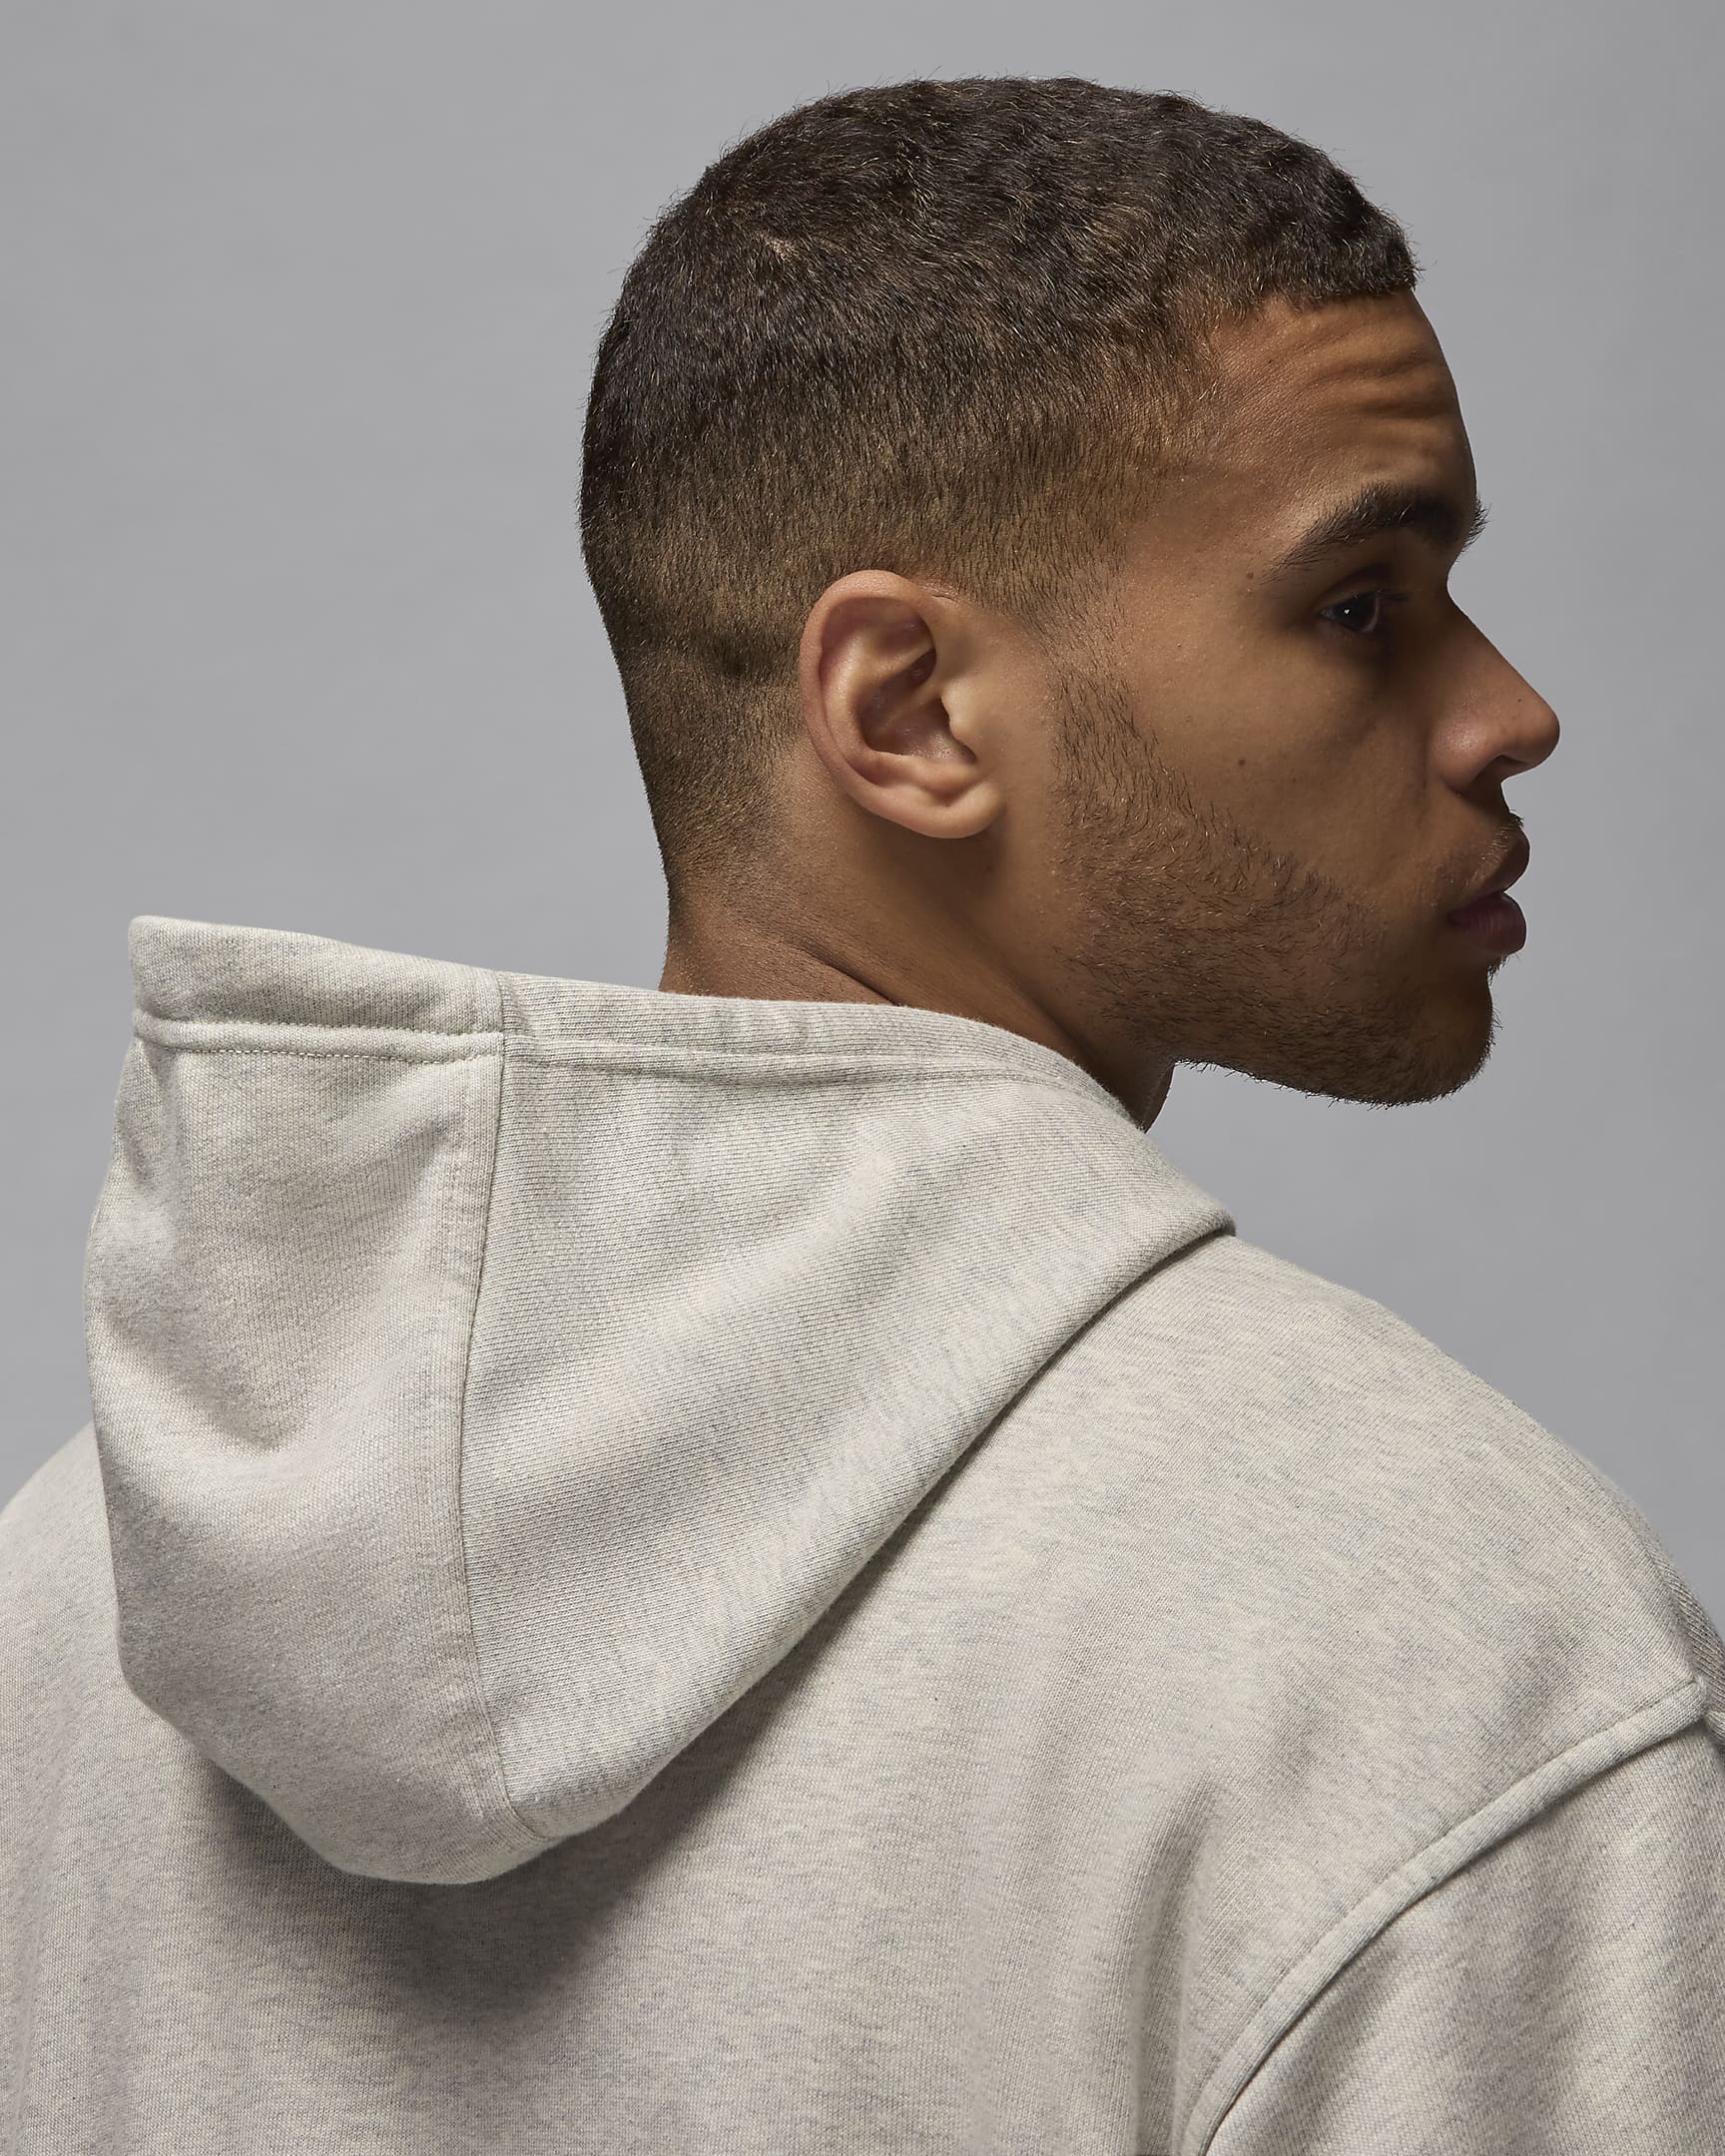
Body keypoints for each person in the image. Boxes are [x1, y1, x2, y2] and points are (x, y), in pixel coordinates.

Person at [4, 74, 1720, 2154]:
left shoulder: (79, 1603)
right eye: (1359, 605)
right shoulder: (1446, 1644)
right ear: (907, 711)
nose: (1511, 711)